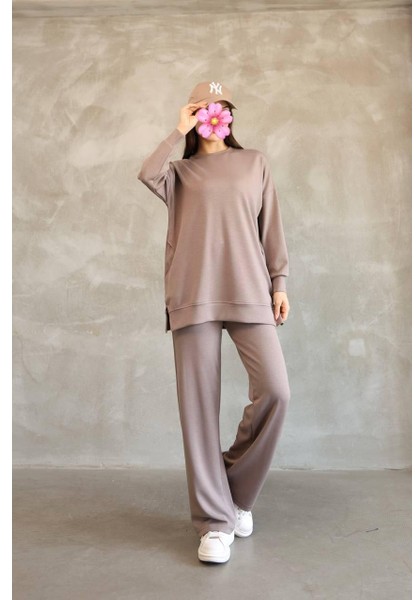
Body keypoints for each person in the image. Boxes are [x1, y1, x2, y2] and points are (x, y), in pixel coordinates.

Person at [137, 81, 291, 564]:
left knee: (276, 391)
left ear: (230, 116)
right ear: (194, 115)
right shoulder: (179, 173)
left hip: (250, 291)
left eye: (221, 107)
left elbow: (271, 227)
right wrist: (176, 131)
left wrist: (279, 282)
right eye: (204, 108)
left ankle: (232, 493)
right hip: (193, 294)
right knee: (198, 410)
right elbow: (146, 172)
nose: (214, 115)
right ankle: (214, 523)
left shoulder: (254, 163)